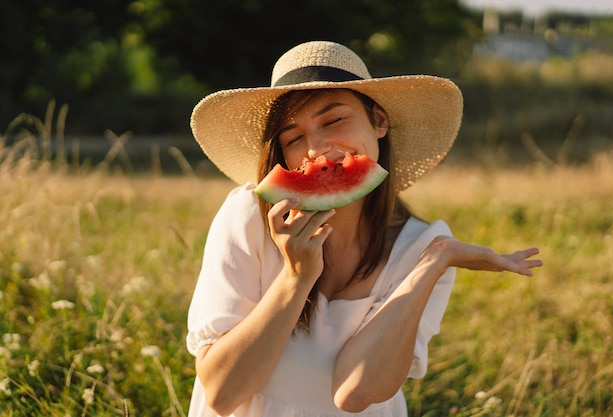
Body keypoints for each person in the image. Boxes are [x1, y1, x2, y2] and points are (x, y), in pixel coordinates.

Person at [185, 40, 542, 417]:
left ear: (379, 121)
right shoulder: (247, 217)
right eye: (293, 138)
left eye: (334, 120)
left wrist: (437, 258)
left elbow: (354, 393)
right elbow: (223, 394)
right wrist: (296, 277)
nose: (316, 149)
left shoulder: (423, 244)